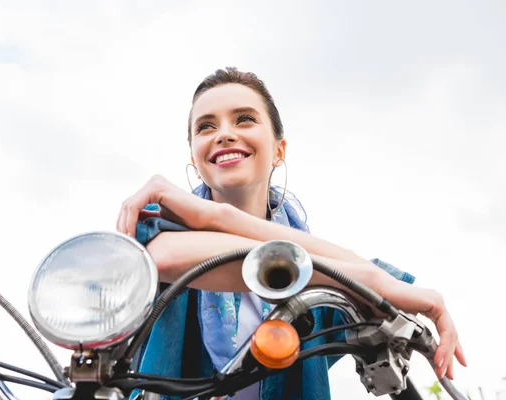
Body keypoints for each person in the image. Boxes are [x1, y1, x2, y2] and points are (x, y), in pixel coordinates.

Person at [116, 67, 466, 399]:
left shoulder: (328, 262)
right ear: (194, 157)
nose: (224, 133)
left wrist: (217, 215)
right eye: (206, 127)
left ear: (279, 151)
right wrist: (368, 280)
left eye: (245, 119)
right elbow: (167, 259)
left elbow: (373, 284)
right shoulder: (159, 223)